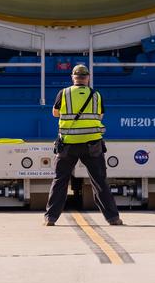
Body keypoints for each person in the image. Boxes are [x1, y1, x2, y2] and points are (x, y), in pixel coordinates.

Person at [44, 63, 122, 227]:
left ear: (73, 77)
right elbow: (100, 116)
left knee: (60, 181)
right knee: (99, 181)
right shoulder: (96, 95)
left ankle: (50, 218)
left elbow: (55, 113)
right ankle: (113, 218)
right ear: (87, 78)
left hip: (68, 144)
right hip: (92, 145)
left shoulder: (64, 93)